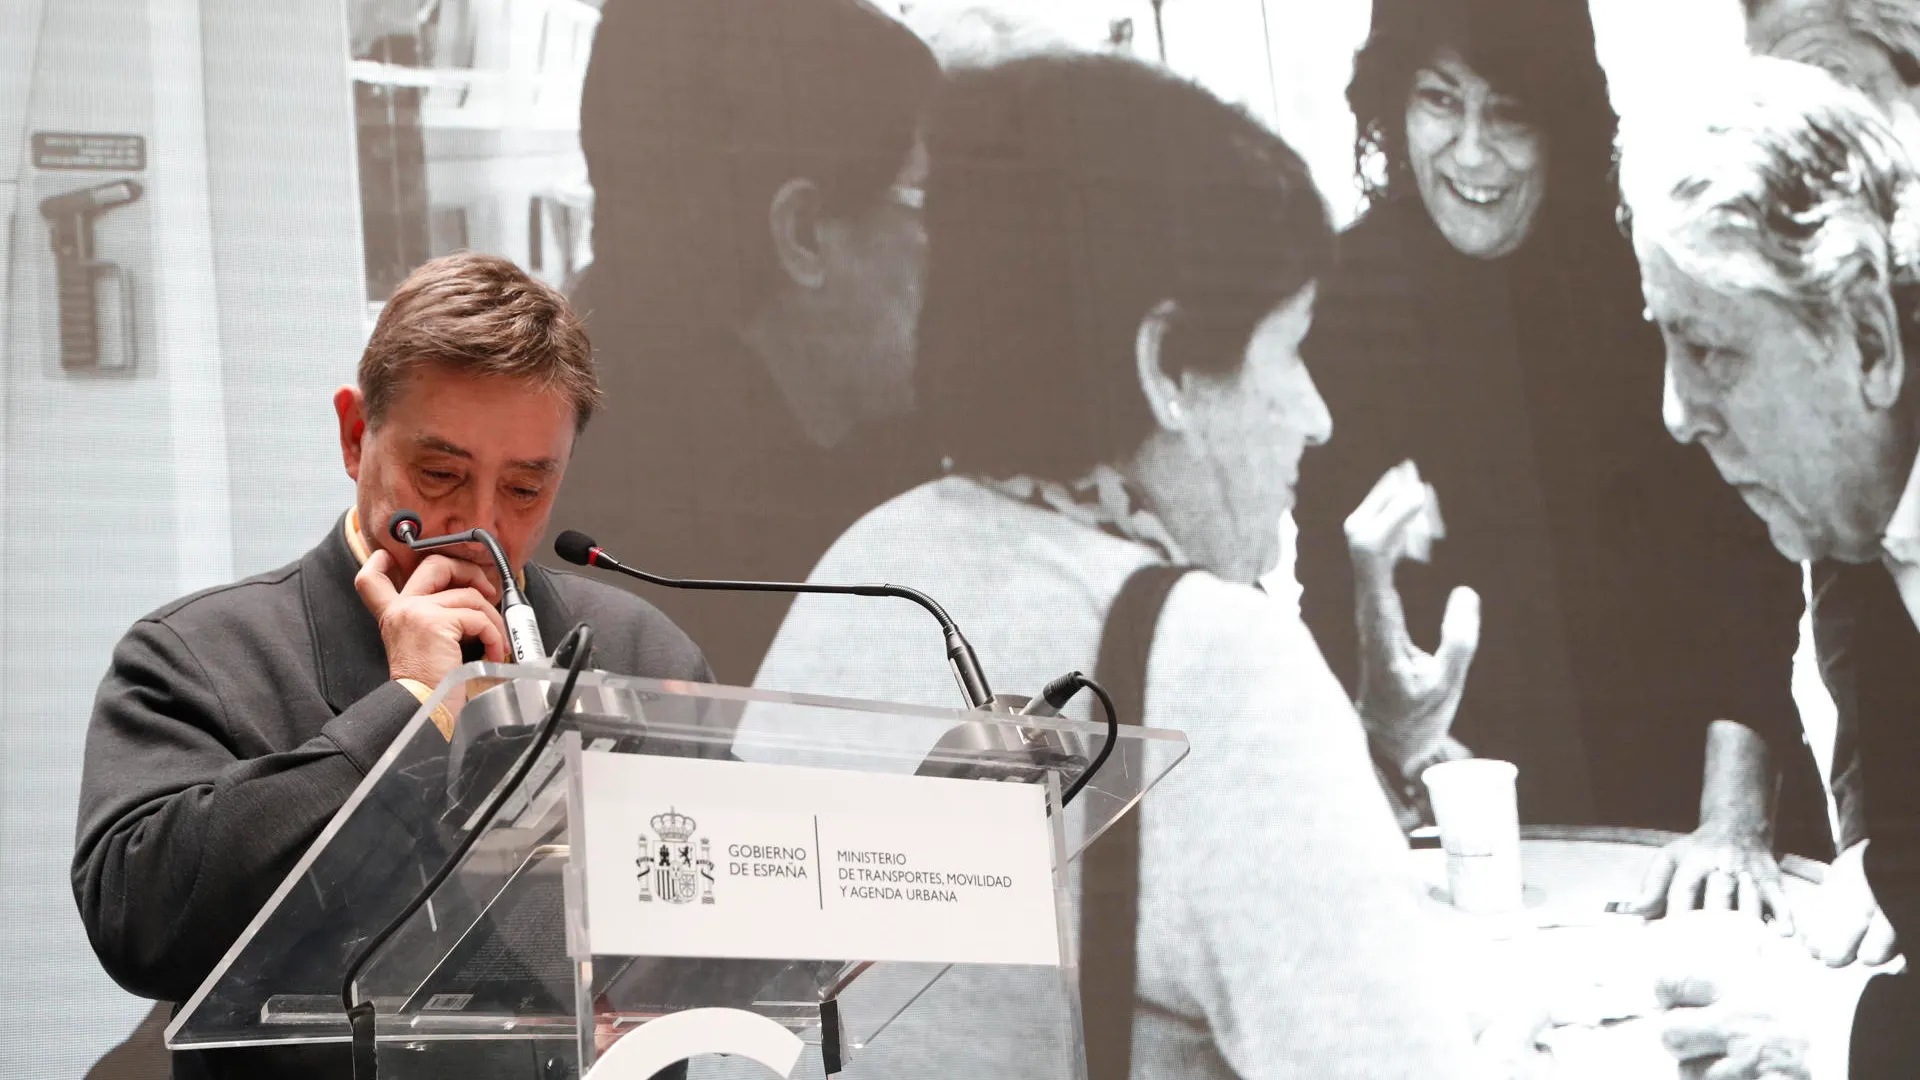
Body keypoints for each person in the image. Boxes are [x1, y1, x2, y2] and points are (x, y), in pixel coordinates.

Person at [749, 55, 1542, 1080]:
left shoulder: (860, 573)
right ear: (1168, 367)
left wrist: (1375, 752)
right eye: (1288, 347)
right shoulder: (1219, 662)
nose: (1315, 414)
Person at [70, 252, 711, 1079]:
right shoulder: (198, 654)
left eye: (523, 489)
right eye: (440, 474)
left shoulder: (639, 654)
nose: (477, 524)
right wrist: (413, 706)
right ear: (353, 434)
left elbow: (710, 921)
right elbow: (140, 925)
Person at [1290, 0, 1829, 915]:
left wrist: (1732, 818)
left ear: (1563, 123)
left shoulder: (1644, 278)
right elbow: (1331, 601)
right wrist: (1386, 752)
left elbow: (1750, 576)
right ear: (1391, 105)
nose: (1469, 154)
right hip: (1466, 820)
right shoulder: (1341, 304)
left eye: (1509, 113)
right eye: (1437, 101)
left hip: (1697, 810)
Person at [1616, 56, 1920, 1079]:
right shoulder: (1857, 523)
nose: (1674, 411)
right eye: (1664, 344)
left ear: (1868, 335)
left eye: (1712, 352)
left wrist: (1836, 1038)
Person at [551, 0, 943, 685]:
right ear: (805, 234)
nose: (958, 257)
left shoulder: (581, 448)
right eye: (929, 206)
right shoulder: (632, 573)